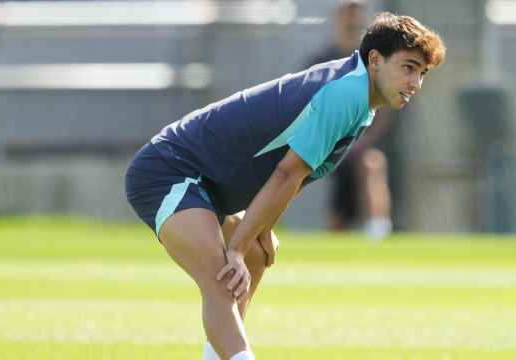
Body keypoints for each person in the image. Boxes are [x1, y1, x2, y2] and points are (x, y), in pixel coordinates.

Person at [125, 12, 445, 360]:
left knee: (257, 254)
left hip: (206, 181)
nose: (416, 82)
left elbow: (294, 177)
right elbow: (286, 174)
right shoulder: (347, 93)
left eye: (422, 73)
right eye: (409, 67)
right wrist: (235, 248)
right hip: (167, 170)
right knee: (223, 274)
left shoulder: (358, 98)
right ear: (375, 59)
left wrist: (258, 231)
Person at [306, 0, 394, 239]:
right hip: (325, 143)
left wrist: (362, 141)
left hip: (358, 144)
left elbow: (383, 107)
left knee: (371, 163)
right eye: (348, 12)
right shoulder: (322, 60)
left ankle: (378, 231)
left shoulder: (373, 63)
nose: (353, 19)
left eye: (358, 13)